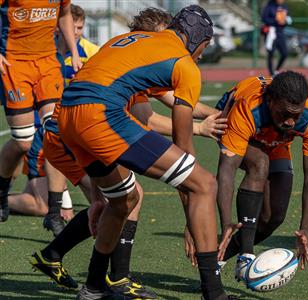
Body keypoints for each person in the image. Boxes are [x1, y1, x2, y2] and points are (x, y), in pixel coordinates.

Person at [55, 5, 233, 299]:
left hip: (68, 116)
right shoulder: (184, 64)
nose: (202, 53)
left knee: (123, 200)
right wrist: (191, 218)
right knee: (204, 183)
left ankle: (94, 287)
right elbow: (183, 142)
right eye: (205, 45)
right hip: (100, 115)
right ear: (198, 39)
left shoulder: (132, 40)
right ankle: (214, 293)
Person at [184, 71, 308, 285]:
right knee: (259, 165)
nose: (290, 122)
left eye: (295, 116)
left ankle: (217, 259)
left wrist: (305, 229)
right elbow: (226, 170)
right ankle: (246, 255)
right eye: (285, 114)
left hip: (275, 140)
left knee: (274, 216)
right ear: (270, 101)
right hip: (234, 123)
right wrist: (226, 224)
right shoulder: (249, 106)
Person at [0, 0, 82, 222]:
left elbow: (64, 14)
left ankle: (54, 212)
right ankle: (2, 191)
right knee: (23, 141)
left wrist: (73, 51)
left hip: (47, 64)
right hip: (15, 64)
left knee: (56, 133)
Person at [262, 0, 291, 76]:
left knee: (284, 53)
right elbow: (264, 19)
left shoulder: (285, 6)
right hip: (271, 32)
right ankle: (271, 73)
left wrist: (286, 21)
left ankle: (276, 70)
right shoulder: (269, 6)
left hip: (280, 32)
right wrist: (276, 20)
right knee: (271, 53)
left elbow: (289, 18)